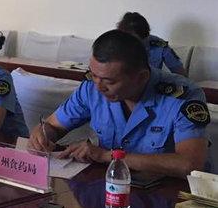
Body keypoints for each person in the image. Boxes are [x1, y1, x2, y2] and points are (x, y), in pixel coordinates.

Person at [28, 30, 209, 178]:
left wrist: (108, 156)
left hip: (165, 193)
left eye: (109, 81)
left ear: (141, 77)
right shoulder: (91, 88)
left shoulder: (183, 96)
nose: (99, 87)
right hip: (109, 185)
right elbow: (53, 125)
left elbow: (190, 164)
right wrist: (43, 135)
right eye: (94, 75)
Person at [117, 11, 186, 75]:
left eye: (139, 41)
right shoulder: (114, 45)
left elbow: (180, 74)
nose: (135, 45)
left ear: (146, 36)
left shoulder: (159, 44)